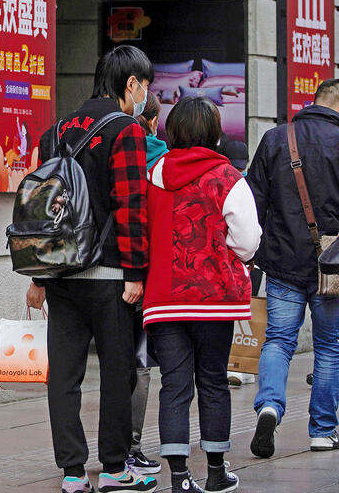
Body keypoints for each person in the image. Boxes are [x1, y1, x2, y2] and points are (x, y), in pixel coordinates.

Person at [26, 45, 156, 493]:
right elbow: (131, 206)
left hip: (61, 275)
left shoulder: (56, 131)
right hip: (111, 276)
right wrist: (136, 272)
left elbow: (41, 210)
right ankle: (117, 469)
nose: (146, 95)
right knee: (117, 373)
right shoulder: (126, 130)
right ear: (131, 84)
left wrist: (40, 278)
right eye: (146, 86)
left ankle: (73, 473)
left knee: (64, 375)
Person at [143, 96, 261, 493]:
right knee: (212, 381)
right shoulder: (227, 176)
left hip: (162, 295)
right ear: (213, 132)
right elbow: (247, 240)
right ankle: (214, 472)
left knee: (174, 385)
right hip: (213, 298)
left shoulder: (154, 173)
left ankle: (178, 478)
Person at [247, 78, 339, 457]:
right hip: (331, 268)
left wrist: (254, 255)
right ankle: (322, 430)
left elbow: (253, 201)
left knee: (279, 341)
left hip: (282, 262)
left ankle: (269, 406)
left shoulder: (275, 138)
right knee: (330, 347)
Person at [127, 92, 166, 476]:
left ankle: (106, 450)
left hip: (104, 269)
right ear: (153, 121)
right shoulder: (161, 161)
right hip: (147, 274)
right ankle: (131, 447)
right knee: (140, 363)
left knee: (114, 363)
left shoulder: (107, 146)